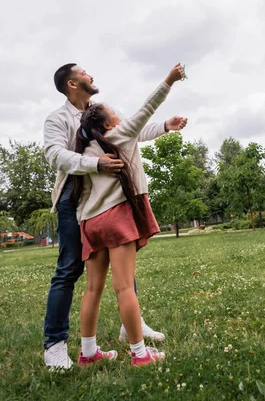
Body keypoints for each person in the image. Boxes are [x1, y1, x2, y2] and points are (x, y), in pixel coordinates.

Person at [43, 63, 187, 369]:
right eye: (83, 72)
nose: (90, 74)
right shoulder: (58, 119)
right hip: (80, 200)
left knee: (105, 281)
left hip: (91, 212)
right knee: (71, 271)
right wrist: (96, 165)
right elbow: (55, 154)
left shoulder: (96, 116)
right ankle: (56, 343)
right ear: (72, 83)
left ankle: (108, 338)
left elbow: (131, 129)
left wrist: (163, 127)